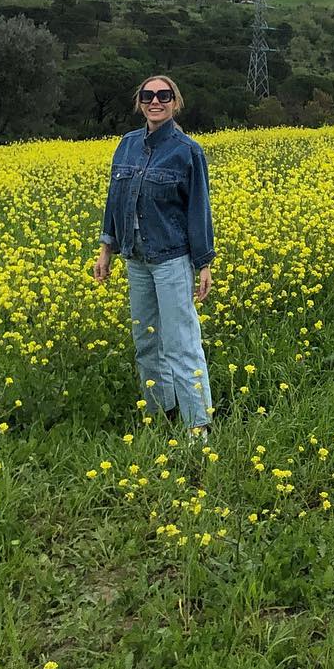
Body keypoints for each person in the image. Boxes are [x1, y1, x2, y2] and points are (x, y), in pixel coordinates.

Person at [93, 74, 214, 437]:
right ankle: (162, 414)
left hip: (172, 259)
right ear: (140, 102)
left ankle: (199, 427)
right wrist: (106, 249)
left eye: (163, 95)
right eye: (148, 95)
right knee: (146, 341)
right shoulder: (127, 145)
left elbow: (198, 210)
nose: (155, 101)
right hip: (136, 259)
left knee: (181, 343)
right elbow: (115, 200)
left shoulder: (187, 150)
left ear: (175, 102)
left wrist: (203, 263)